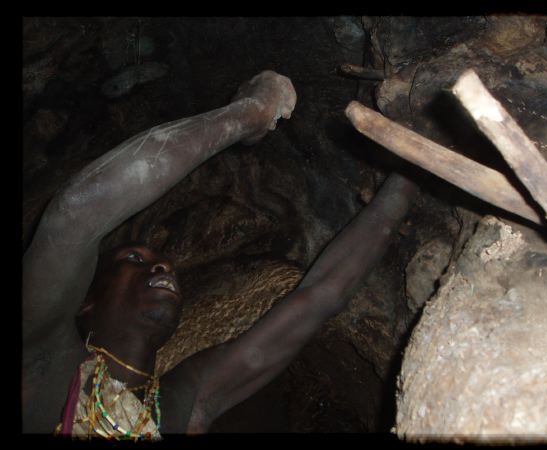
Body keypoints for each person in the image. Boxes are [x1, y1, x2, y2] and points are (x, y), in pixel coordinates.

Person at [22, 70, 417, 437]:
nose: (162, 264)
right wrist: (248, 114)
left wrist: (410, 172)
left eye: (156, 260)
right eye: (133, 260)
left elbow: (317, 298)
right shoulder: (39, 359)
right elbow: (73, 215)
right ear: (85, 302)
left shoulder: (181, 400)